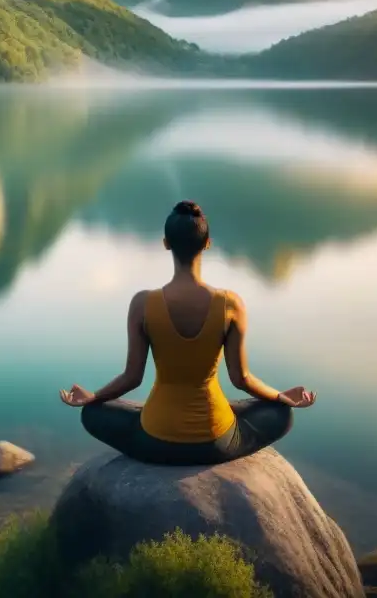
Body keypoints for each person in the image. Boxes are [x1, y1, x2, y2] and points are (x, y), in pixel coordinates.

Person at [59, 200, 316, 466]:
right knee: (282, 414)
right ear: (207, 244)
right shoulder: (230, 304)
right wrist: (279, 396)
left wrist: (94, 397)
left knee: (90, 414)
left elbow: (132, 378)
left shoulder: (143, 304)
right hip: (216, 441)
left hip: (155, 439)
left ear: (166, 244)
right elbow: (241, 378)